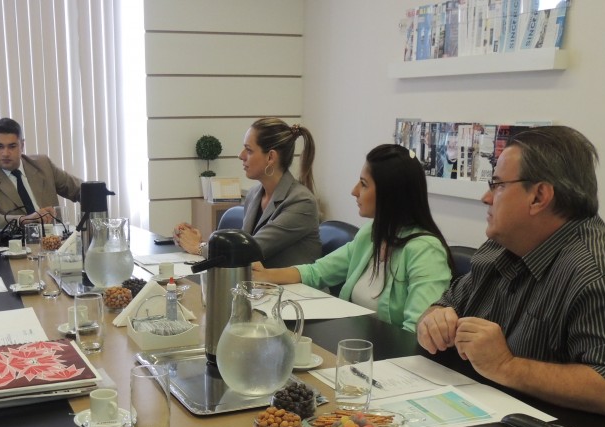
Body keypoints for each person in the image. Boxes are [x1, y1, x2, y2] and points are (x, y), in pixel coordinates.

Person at [417, 126, 605, 427]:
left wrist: (506, 366)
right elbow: (447, 302)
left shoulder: (599, 274)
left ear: (539, 196)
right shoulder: (501, 247)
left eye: (498, 185)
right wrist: (434, 319)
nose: (486, 197)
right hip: (485, 420)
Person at [254, 144, 454, 332]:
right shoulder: (372, 233)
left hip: (393, 355)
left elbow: (417, 331)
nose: (354, 191)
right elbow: (317, 272)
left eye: (364, 184)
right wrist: (265, 276)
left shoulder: (426, 251)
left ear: (390, 193)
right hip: (358, 344)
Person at [173, 117, 321, 267]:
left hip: (283, 283)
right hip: (257, 281)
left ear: (270, 157)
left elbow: (247, 251)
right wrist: (199, 241)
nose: (241, 156)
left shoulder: (302, 202)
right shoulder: (254, 194)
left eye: (249, 150)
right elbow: (241, 247)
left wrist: (198, 246)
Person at [0, 117, 82, 230]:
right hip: (15, 240)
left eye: (12, 146)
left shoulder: (43, 165)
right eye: (0, 146)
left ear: (22, 145)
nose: (5, 153)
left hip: (54, 238)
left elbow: (81, 189)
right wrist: (24, 220)